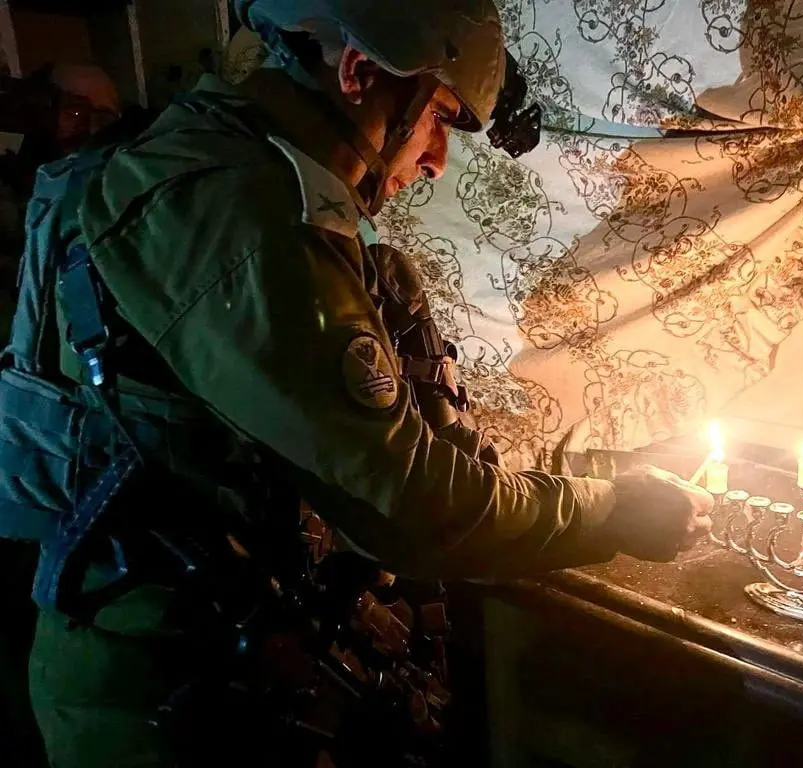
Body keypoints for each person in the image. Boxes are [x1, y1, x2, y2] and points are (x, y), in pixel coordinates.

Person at [1, 1, 715, 765]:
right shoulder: (245, 211)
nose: (437, 159)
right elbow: (408, 505)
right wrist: (610, 510)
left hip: (201, 665)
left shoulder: (229, 160)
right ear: (359, 71)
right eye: (440, 117)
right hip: (163, 701)